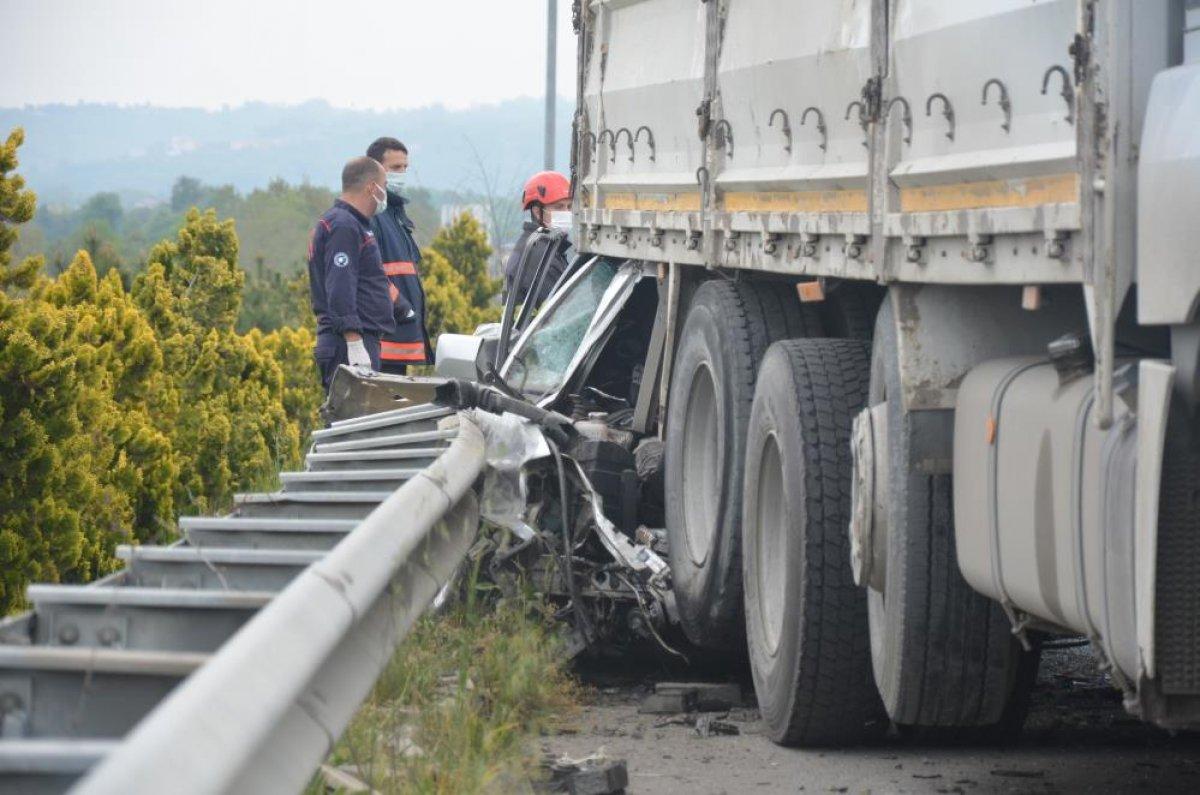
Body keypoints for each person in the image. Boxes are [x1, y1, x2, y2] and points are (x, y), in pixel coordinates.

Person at [308, 156, 396, 391]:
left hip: (359, 339)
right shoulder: (344, 226)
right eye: (384, 186)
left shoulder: (354, 224)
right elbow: (340, 286)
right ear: (371, 187)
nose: (385, 193)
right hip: (347, 344)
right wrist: (354, 342)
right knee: (353, 422)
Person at [366, 136, 433, 374]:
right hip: (382, 341)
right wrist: (403, 308)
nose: (402, 174)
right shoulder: (372, 215)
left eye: (405, 168)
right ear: (374, 170)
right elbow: (369, 274)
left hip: (398, 340)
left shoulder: (395, 215)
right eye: (395, 168)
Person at [503, 170, 573, 309]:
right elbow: (564, 311)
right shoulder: (539, 257)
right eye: (558, 207)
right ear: (536, 211)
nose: (566, 213)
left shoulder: (541, 246)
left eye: (569, 206)